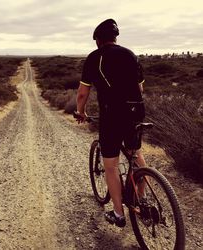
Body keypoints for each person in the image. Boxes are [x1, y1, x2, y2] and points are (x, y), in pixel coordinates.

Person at [76, 19, 147, 227]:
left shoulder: (94, 58)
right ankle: (142, 199)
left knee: (111, 166)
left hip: (112, 115)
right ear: (115, 38)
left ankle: (118, 213)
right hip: (136, 110)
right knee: (135, 154)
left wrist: (81, 112)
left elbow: (82, 94)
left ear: (98, 40)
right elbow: (140, 89)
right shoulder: (130, 54)